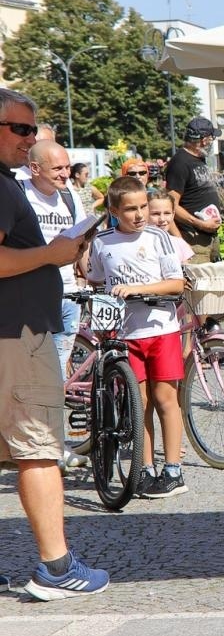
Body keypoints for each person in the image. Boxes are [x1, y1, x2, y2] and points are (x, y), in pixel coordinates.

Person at [0, 89, 108, 598]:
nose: (31, 139)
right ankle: (57, 568)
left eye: (33, 129)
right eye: (21, 129)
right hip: (17, 335)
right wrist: (51, 254)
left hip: (13, 332)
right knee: (39, 450)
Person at [89, 176, 190, 497]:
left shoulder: (159, 237)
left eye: (143, 206)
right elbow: (96, 278)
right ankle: (144, 468)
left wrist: (137, 289)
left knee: (165, 399)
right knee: (139, 403)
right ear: (114, 211)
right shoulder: (102, 241)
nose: (139, 214)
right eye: (130, 209)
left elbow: (175, 283)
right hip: (125, 333)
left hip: (161, 329)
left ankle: (173, 470)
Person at [24, 141, 87, 373]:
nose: (65, 174)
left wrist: (89, 277)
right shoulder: (19, 193)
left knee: (58, 371)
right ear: (35, 168)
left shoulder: (69, 196)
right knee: (33, 370)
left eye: (67, 167)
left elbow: (82, 238)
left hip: (68, 295)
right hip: (32, 296)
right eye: (58, 168)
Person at [165, 117, 224, 261]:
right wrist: (201, 224)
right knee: (198, 276)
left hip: (208, 237)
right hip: (193, 239)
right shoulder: (180, 163)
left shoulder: (199, 159)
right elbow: (171, 205)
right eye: (212, 138)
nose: (212, 142)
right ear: (204, 140)